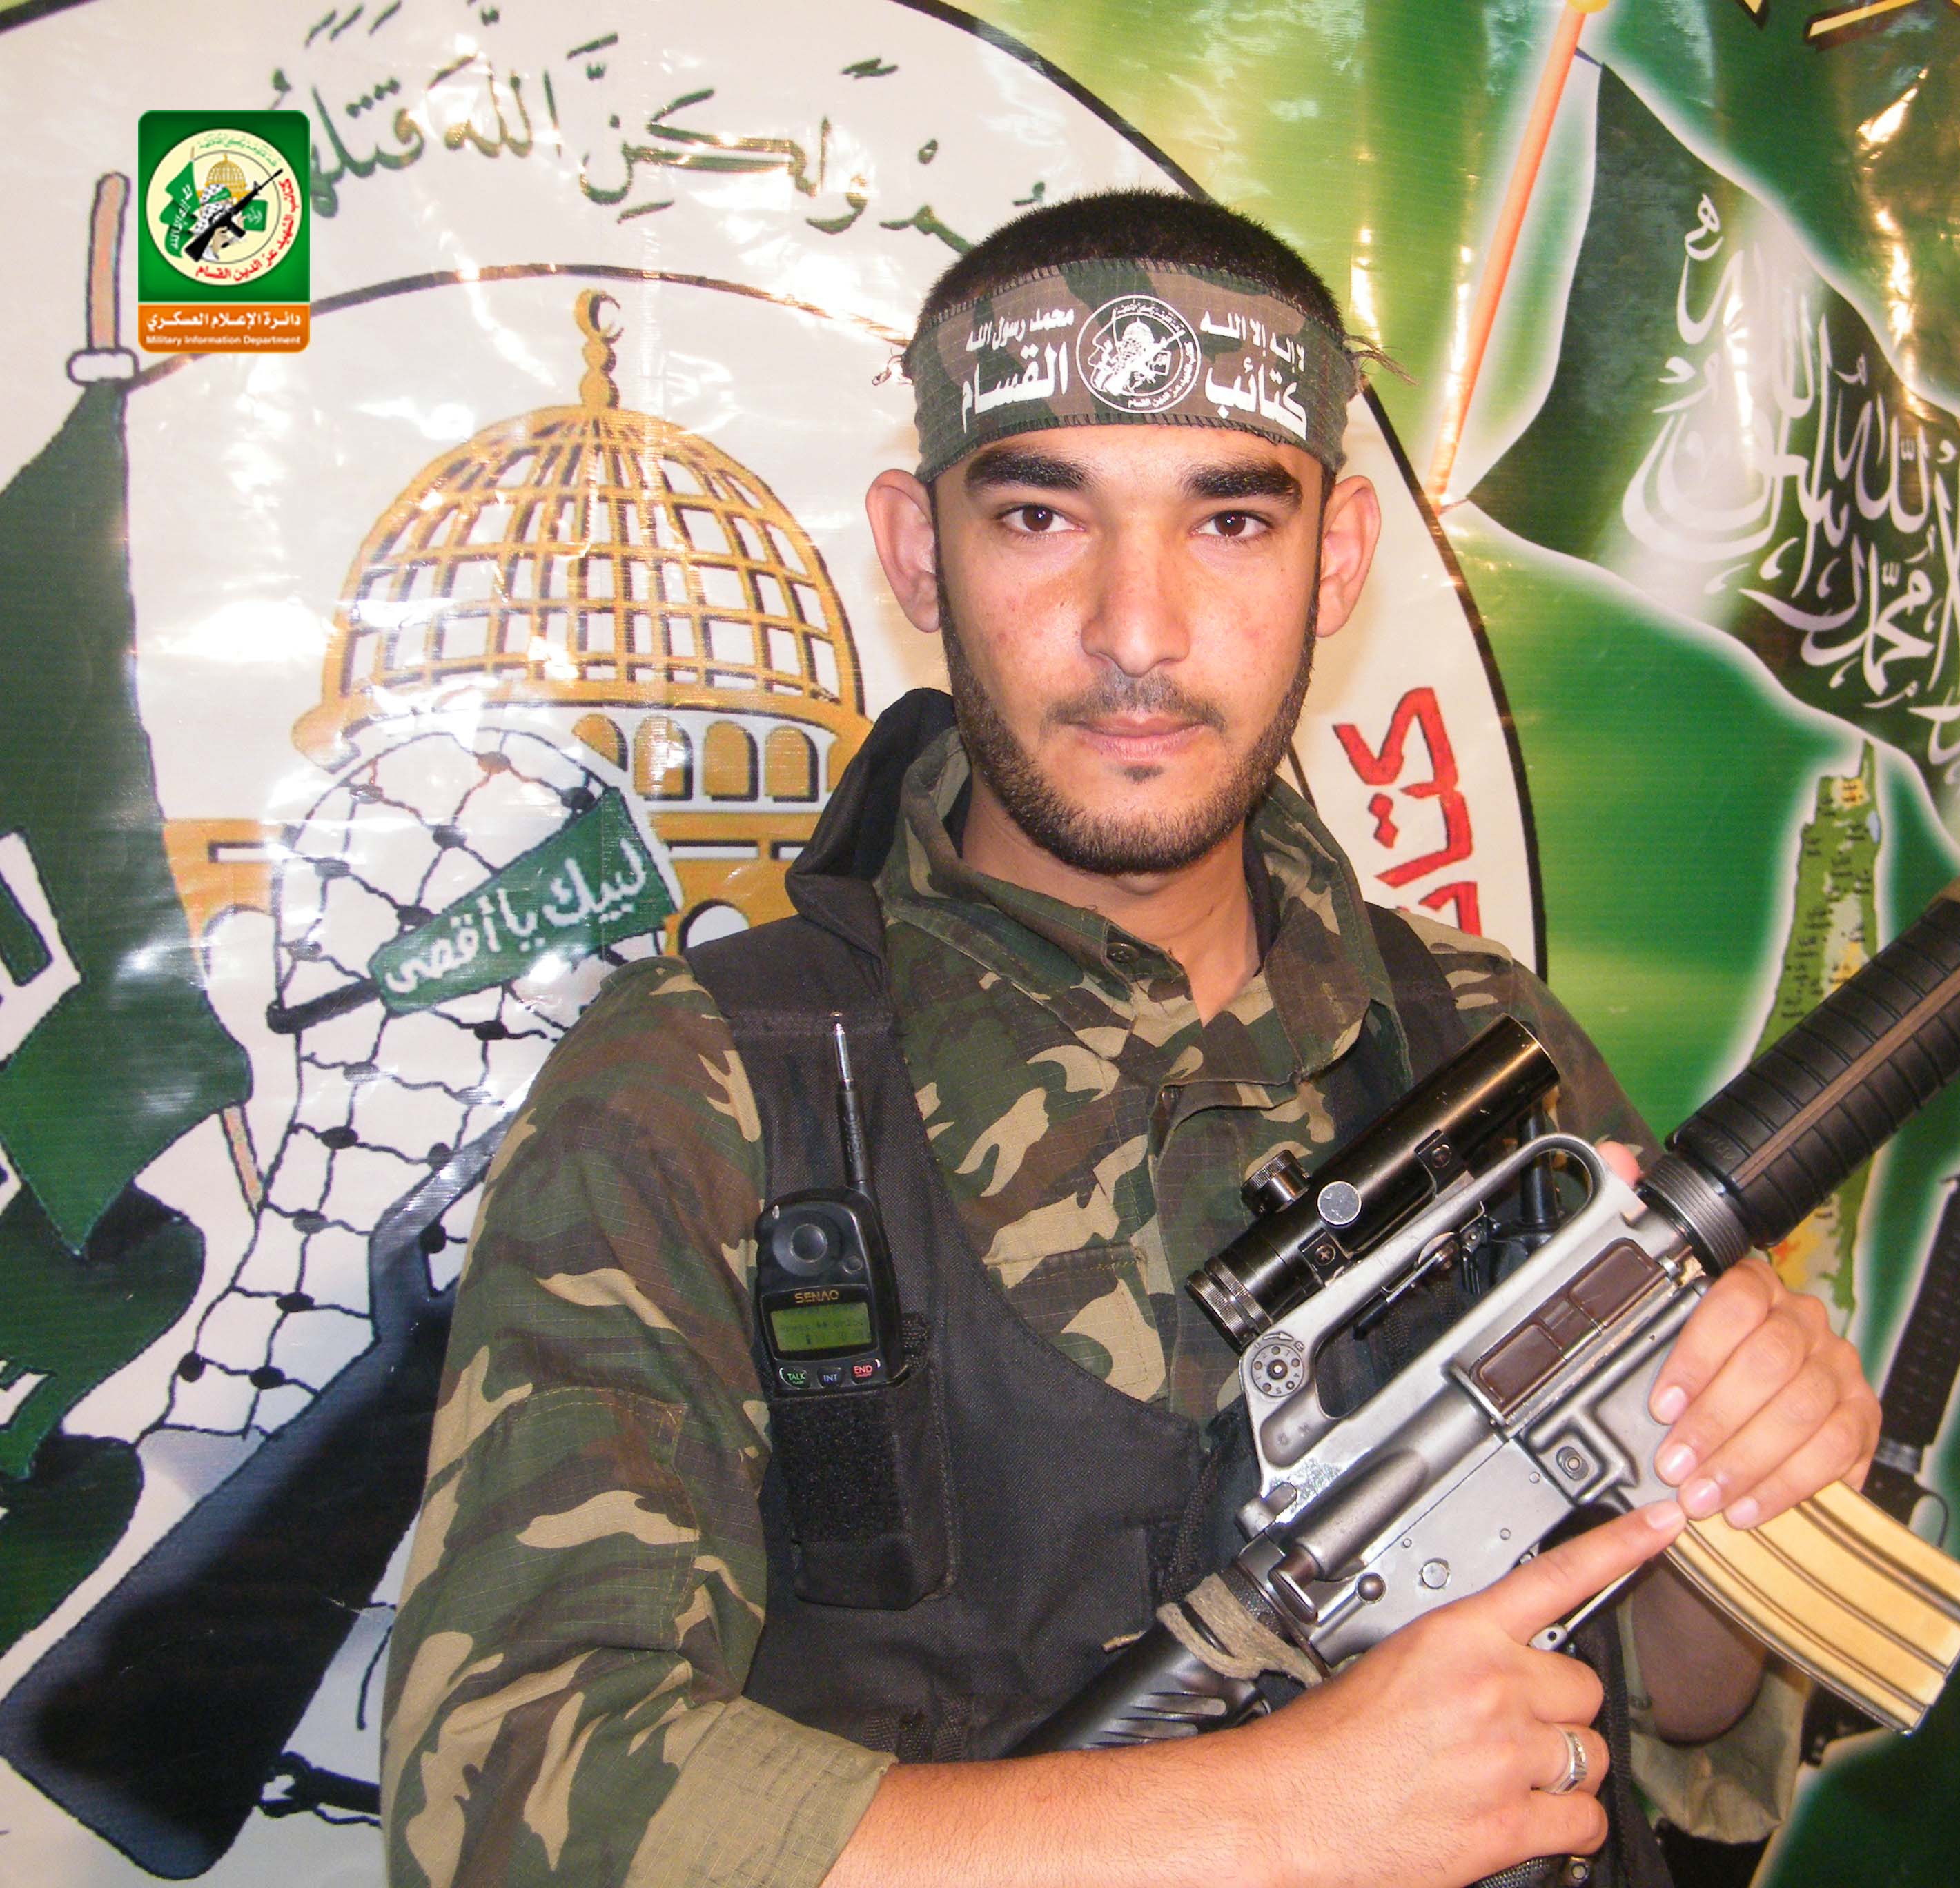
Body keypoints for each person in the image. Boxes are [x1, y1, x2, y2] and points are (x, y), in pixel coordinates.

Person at [381, 190, 1881, 1888]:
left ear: (1337, 561)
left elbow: (1677, 1696)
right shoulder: (702, 1087)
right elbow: (508, 1791)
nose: (1138, 631)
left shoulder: (1484, 1046)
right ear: (915, 552)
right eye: (1040, 515)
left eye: (1230, 522)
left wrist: (1738, 1469)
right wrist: (1272, 1816)